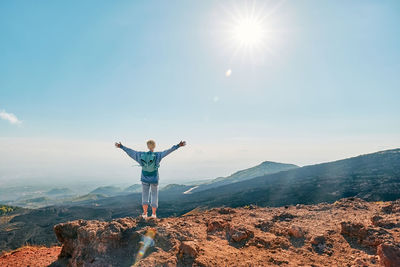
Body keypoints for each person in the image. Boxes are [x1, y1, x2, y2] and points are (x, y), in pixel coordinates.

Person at [115, 140, 186, 219]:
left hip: (144, 179)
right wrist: (178, 145)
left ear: (147, 146)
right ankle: (153, 214)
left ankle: (145, 214)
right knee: (154, 195)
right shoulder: (158, 155)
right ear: (154, 146)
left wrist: (121, 147)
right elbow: (168, 151)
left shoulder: (140, 155)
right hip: (154, 179)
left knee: (145, 195)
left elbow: (130, 152)